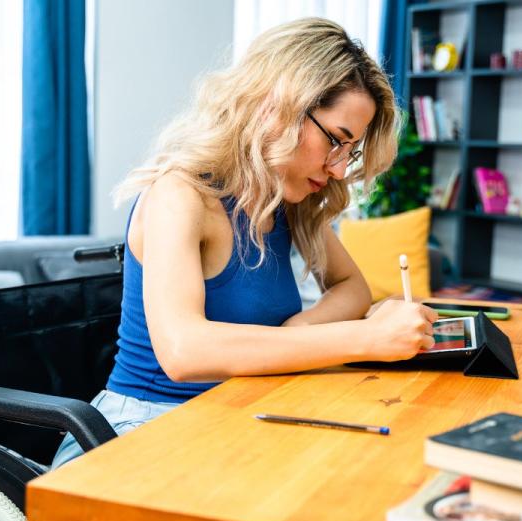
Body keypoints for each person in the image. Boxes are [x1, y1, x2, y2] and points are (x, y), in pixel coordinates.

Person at [52, 17, 437, 468]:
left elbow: (352, 286)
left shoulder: (286, 202)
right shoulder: (180, 195)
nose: (337, 169)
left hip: (235, 414)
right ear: (276, 105)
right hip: (143, 429)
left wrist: (301, 331)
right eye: (335, 140)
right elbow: (183, 351)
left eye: (347, 151)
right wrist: (365, 337)